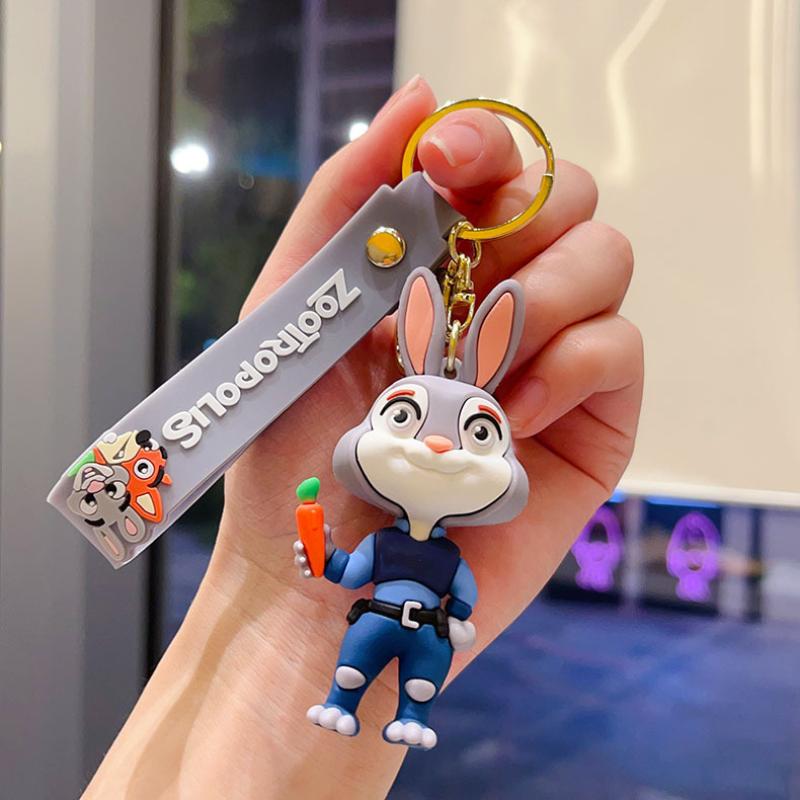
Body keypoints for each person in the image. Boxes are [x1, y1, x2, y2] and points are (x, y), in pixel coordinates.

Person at [83, 75, 642, 799]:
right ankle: (350, 697)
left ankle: (402, 708)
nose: (437, 448)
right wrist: (302, 562)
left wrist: (455, 620)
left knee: (414, 678)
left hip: (422, 627)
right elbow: (347, 573)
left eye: (476, 433)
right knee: (354, 667)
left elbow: (457, 595)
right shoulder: (389, 541)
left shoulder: (446, 554)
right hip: (375, 617)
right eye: (405, 419)